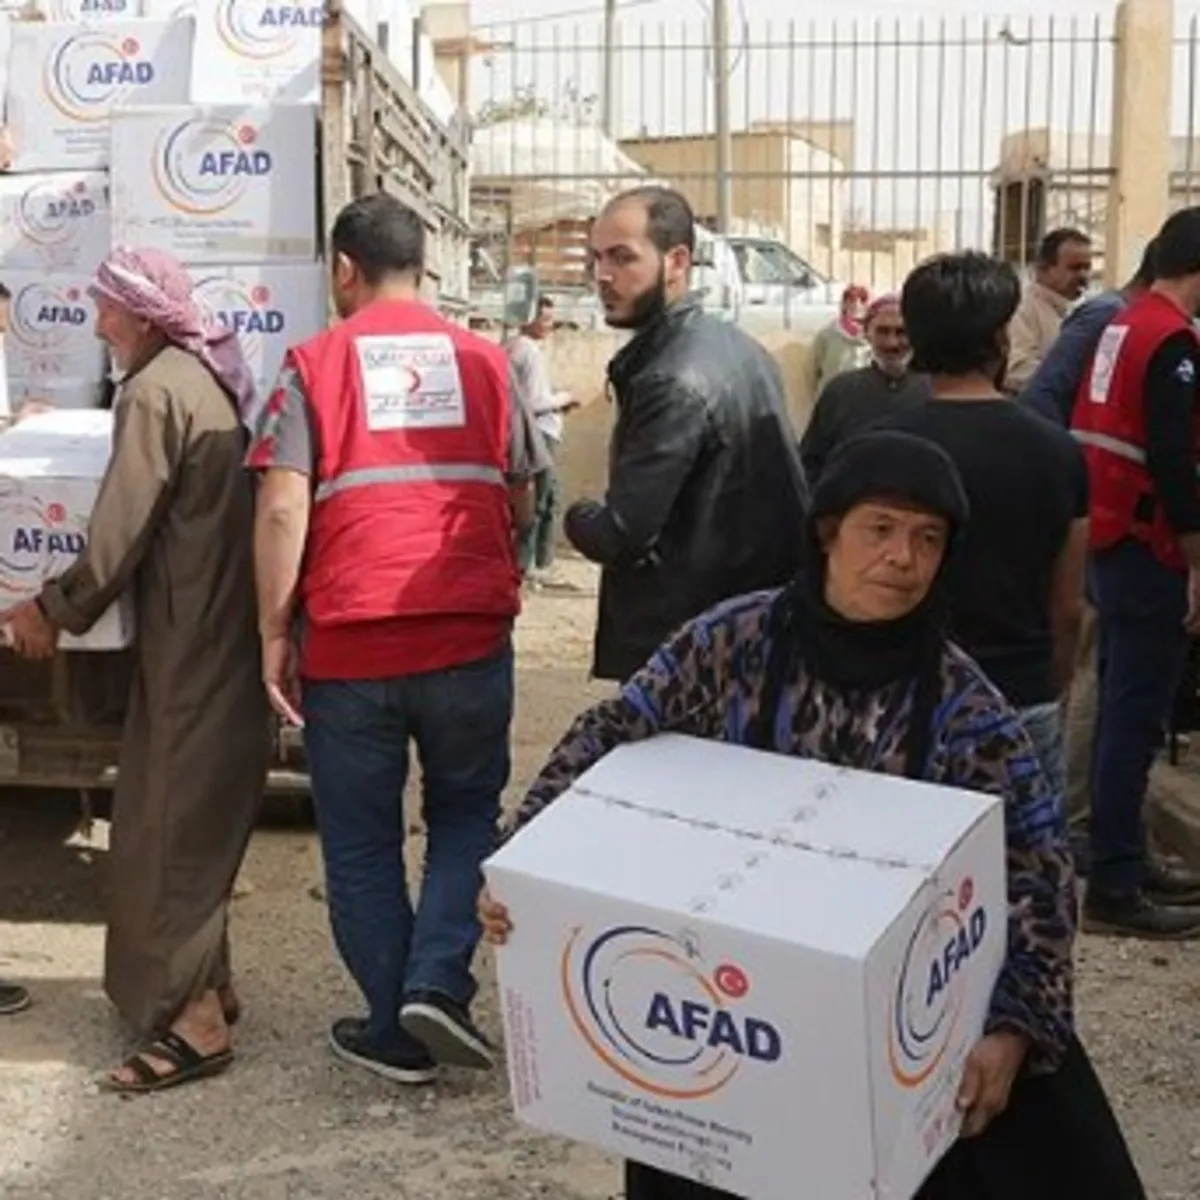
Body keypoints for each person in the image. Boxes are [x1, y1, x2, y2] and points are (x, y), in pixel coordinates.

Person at [482, 431, 1145, 1200]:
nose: (903, 558)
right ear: (828, 532)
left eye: (929, 540)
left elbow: (1037, 871)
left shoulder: (968, 711)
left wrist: (1014, 1026)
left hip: (892, 1016)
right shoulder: (732, 644)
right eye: (881, 529)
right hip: (732, 1007)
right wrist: (525, 865)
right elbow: (611, 734)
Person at [248, 193, 547, 1086]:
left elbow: (280, 504)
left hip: (352, 645)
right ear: (423, 267)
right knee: (464, 813)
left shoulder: (315, 363)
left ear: (344, 269)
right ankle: (437, 983)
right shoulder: (489, 363)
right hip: (467, 633)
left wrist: (272, 627)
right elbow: (524, 490)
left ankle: (397, 1026)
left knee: (364, 840)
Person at [5, 246, 271, 1092]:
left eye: (108, 309)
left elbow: (117, 535)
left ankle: (191, 1023)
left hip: (192, 644)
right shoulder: (202, 378)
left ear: (145, 315)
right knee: (194, 813)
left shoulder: (155, 392)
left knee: (165, 827)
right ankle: (213, 986)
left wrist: (50, 610)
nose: (96, 323)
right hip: (220, 638)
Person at [564, 185, 809, 682]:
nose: (603, 276)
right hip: (750, 631)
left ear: (676, 261)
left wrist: (577, 516)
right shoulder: (740, 349)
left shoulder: (670, 378)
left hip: (690, 649)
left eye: (622, 257)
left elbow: (625, 535)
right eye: (596, 259)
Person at [880, 252, 1087, 819]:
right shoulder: (1057, 452)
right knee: (1022, 876)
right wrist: (1052, 682)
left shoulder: (879, 448)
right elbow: (1067, 604)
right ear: (1000, 339)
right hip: (1019, 696)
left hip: (902, 696)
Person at [1071, 205, 1200, 938]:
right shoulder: (1171, 340)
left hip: (1112, 537)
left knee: (1121, 706)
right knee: (1136, 716)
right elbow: (1175, 462)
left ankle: (1120, 852)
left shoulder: (1124, 322)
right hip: (1150, 547)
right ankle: (1116, 886)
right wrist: (1196, 559)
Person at [1019, 239, 1158, 849]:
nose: (1081, 276)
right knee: (1089, 667)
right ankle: (1075, 820)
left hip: (1102, 513)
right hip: (1093, 517)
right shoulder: (1107, 320)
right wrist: (1074, 487)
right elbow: (1043, 399)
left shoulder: (1118, 322)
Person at [799, 292, 929, 480]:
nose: (892, 343)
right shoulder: (840, 391)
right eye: (883, 331)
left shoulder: (934, 389)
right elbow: (811, 461)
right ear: (867, 334)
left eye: (901, 332)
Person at [506, 293, 578, 586]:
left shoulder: (513, 347)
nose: (549, 326)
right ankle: (533, 565)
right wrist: (564, 399)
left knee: (540, 498)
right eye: (545, 319)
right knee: (543, 500)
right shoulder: (528, 352)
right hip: (539, 433)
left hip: (527, 432)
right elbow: (535, 401)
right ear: (529, 318)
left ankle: (535, 563)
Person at [1004, 228, 1093, 394]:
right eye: (1074, 268)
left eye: (1087, 267)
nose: (1083, 275)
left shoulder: (1084, 307)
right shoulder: (1022, 309)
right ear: (1043, 269)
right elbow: (1016, 371)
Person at [805, 282, 869, 400]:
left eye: (862, 301)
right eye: (851, 301)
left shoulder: (873, 337)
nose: (856, 305)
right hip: (833, 401)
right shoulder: (827, 335)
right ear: (844, 304)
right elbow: (812, 370)